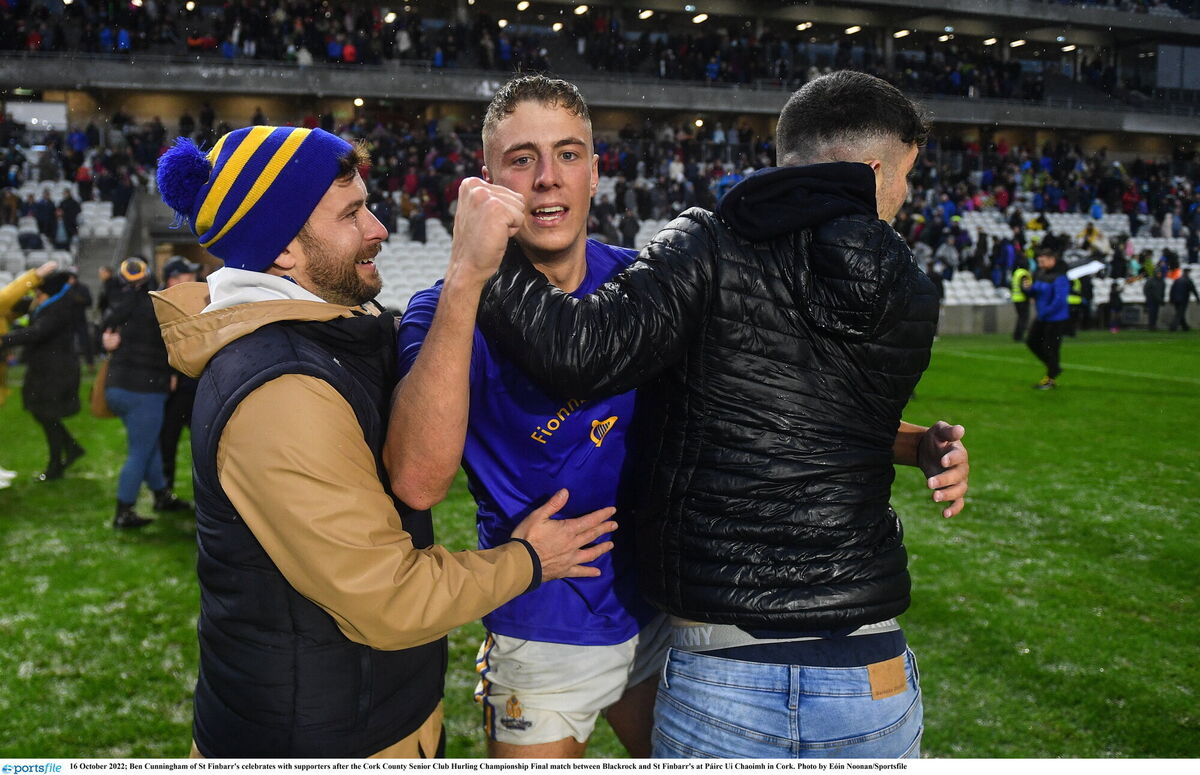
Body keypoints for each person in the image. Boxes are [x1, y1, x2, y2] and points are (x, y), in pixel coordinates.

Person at [477, 71, 969, 758]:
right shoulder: (913, 289)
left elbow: (580, 352)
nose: (906, 196)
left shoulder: (707, 246)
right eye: (907, 178)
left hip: (726, 659)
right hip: (872, 667)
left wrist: (487, 252)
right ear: (875, 171)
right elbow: (807, 415)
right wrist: (918, 444)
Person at [151, 125, 617, 757]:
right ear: (284, 248)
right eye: (352, 214)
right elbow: (388, 599)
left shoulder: (333, 331)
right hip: (321, 740)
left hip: (368, 716)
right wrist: (530, 559)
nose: (378, 229)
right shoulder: (280, 391)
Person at [388, 76, 667, 759]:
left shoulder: (640, 281)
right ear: (487, 180)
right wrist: (465, 277)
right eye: (522, 159)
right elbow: (418, 481)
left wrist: (908, 444)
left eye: (568, 154)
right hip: (541, 625)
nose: (547, 178)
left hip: (657, 610)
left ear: (596, 172)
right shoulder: (441, 309)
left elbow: (755, 403)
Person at [101, 257, 191, 529]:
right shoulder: (157, 305)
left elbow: (105, 332)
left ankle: (161, 494)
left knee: (147, 444)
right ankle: (123, 510)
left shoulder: (117, 302)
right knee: (139, 451)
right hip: (145, 389)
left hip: (117, 386)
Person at [0, 270, 86, 481]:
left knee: (47, 415)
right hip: (46, 370)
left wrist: (5, 339)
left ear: (49, 293)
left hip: (55, 372)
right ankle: (71, 448)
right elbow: (12, 303)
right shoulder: (52, 304)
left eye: (39, 294)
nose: (36, 298)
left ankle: (56, 464)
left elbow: (37, 332)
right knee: (44, 414)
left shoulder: (59, 308)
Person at [158, 257, 201, 493]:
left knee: (205, 446)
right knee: (167, 441)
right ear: (173, 278)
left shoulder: (199, 299)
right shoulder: (160, 304)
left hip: (194, 385)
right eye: (187, 274)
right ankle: (165, 490)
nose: (193, 277)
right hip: (174, 388)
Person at [1023, 238, 1071, 389]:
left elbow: (1059, 301)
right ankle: (1054, 367)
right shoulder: (1041, 274)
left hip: (1056, 319)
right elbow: (1036, 292)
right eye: (1039, 261)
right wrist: (1028, 289)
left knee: (1051, 347)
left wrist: (1045, 312)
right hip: (1043, 316)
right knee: (1032, 342)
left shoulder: (1060, 277)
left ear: (1052, 260)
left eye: (1043, 261)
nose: (1040, 264)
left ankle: (1050, 379)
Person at [1011, 255, 1033, 341]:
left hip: (1016, 298)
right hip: (1022, 299)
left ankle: (1017, 335)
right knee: (1023, 318)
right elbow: (1025, 288)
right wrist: (1030, 296)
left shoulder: (1017, 273)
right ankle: (1019, 336)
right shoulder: (1024, 274)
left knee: (1020, 317)